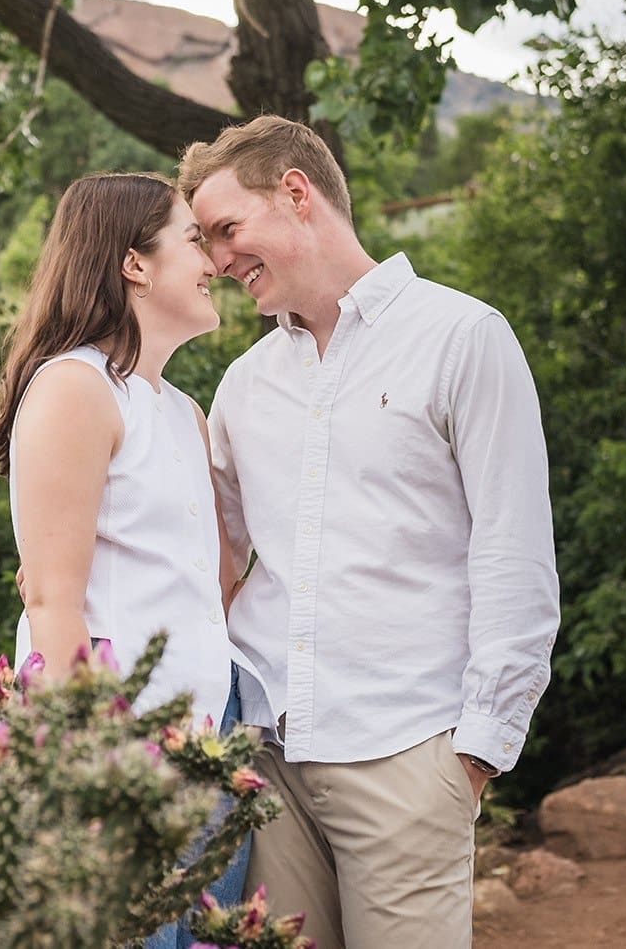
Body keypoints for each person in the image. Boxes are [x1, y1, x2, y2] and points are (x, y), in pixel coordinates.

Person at [177, 115, 561, 949]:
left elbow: (515, 554)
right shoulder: (244, 384)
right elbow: (205, 556)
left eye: (227, 229)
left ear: (295, 193)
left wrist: (476, 755)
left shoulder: (463, 338)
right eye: (206, 242)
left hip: (407, 755)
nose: (218, 259)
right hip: (269, 763)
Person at [0, 172, 265, 949]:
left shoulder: (183, 410)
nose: (213, 262)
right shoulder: (73, 387)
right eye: (192, 239)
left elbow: (214, 583)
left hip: (210, 738)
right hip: (121, 749)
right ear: (134, 263)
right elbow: (53, 600)